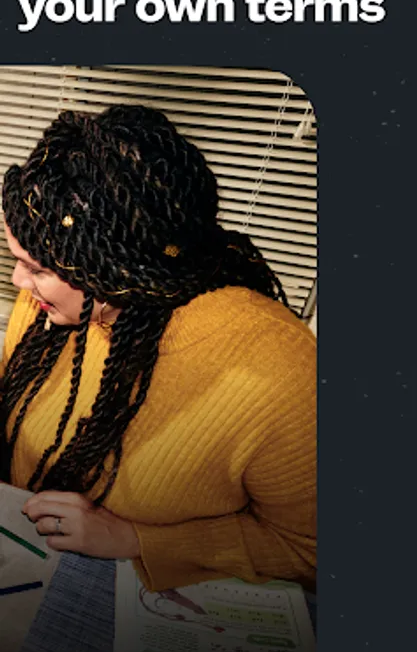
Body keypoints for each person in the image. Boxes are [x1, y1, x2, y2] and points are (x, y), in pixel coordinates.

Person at [0, 104, 316, 592]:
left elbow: (309, 549)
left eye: (37, 269)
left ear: (117, 271)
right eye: (19, 260)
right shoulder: (52, 304)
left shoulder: (281, 373)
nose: (19, 281)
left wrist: (136, 538)